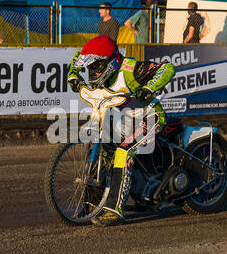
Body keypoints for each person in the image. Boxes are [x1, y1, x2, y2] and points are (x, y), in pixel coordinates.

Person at [67, 35, 176, 226]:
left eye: (96, 66)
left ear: (111, 61)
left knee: (123, 152)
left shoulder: (130, 70)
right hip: (122, 120)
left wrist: (150, 88)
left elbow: (167, 67)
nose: (92, 70)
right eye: (90, 66)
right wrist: (73, 75)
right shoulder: (98, 67)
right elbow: (79, 55)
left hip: (149, 117)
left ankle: (114, 210)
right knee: (102, 148)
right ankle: (92, 204)